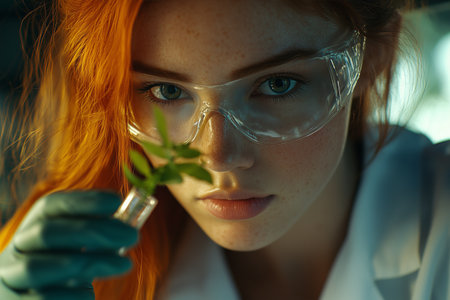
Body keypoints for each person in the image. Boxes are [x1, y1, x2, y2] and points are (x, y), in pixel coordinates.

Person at [0, 0, 448, 299]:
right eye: (167, 91)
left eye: (277, 84)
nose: (216, 157)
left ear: (374, 58)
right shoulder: (111, 276)